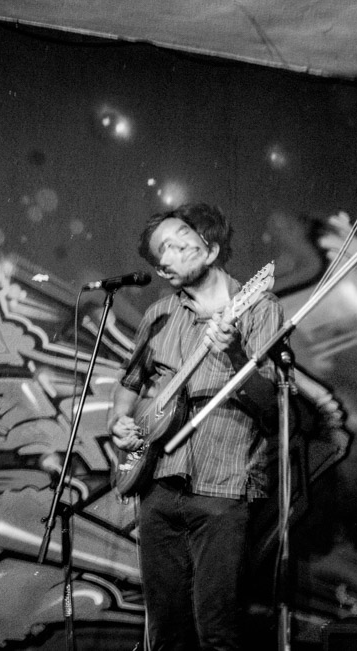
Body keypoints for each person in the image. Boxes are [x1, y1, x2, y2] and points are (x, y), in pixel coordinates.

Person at [108, 203, 282, 651]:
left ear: (210, 248)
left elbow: (271, 403)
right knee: (166, 634)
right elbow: (128, 385)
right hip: (157, 484)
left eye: (173, 245)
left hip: (222, 488)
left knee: (217, 632)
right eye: (157, 254)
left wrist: (236, 354)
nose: (162, 260)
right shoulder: (160, 315)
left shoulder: (259, 309)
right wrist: (118, 422)